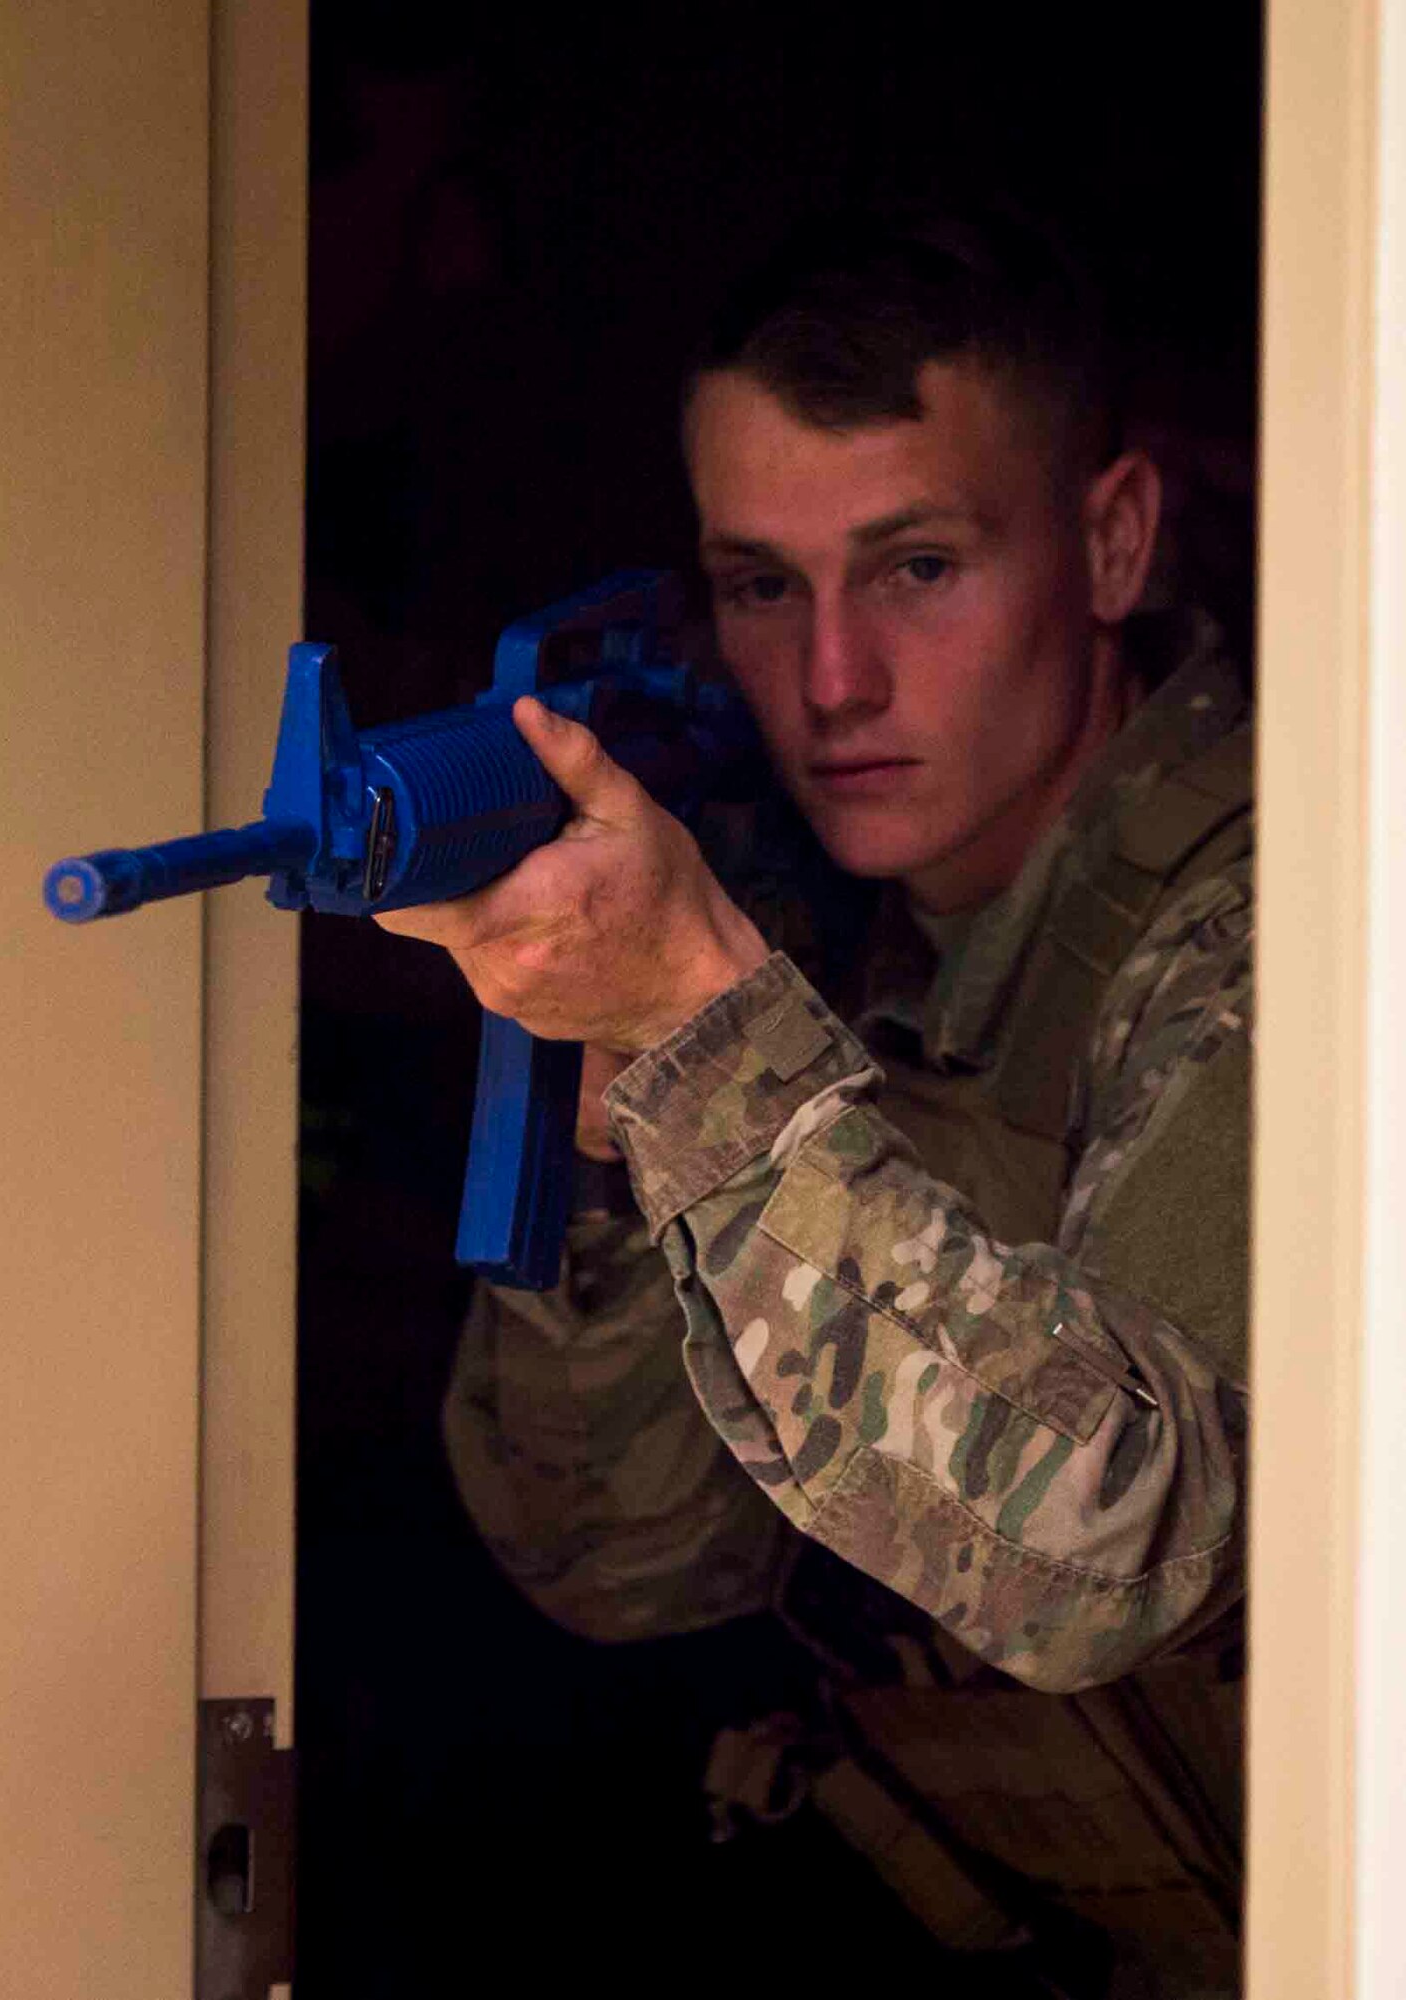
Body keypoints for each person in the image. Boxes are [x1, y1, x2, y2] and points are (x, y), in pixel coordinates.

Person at [378, 207, 1252, 1997]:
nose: (835, 680)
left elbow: (1116, 1552)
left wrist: (714, 1041)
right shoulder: (812, 916)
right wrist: (642, 1128)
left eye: (918, 566)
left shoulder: (1293, 904)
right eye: (765, 585)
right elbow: (621, 1565)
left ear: (1112, 541)